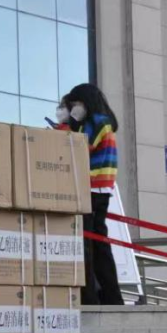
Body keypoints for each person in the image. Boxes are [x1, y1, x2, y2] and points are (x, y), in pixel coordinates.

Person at [64, 83, 124, 305]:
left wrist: (71, 126)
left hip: (92, 189)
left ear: (85, 102)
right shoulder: (104, 122)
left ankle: (90, 297)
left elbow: (82, 148)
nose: (74, 109)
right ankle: (111, 296)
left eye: (76, 104)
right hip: (101, 189)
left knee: (87, 245)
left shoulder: (97, 122)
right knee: (99, 245)